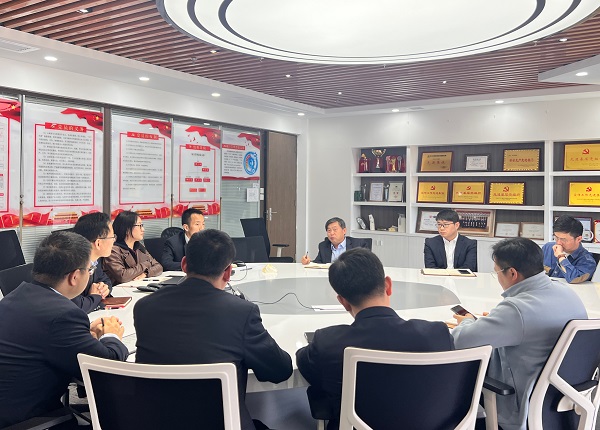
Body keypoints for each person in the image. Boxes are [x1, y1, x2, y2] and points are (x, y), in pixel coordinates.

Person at [134, 229, 292, 430]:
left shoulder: (144, 307)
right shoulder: (241, 312)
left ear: (184, 264)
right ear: (228, 272)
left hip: (155, 422)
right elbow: (280, 370)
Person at [296, 248, 454, 430]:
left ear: (343, 302)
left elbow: (305, 365)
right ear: (388, 285)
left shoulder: (328, 342)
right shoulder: (437, 335)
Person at [452, 237, 587, 430]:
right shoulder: (567, 292)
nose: (497, 278)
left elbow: (461, 341)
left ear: (512, 273)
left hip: (519, 407)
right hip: (564, 402)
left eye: (497, 272)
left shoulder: (516, 309)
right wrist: (497, 321)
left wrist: (467, 321)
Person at [0, 231, 128, 428]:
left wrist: (84, 334)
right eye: (90, 269)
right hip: (27, 420)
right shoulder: (63, 315)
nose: (90, 274)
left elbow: (44, 337)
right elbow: (109, 367)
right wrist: (111, 334)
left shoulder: (17, 295)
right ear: (74, 277)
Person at [71, 212, 116, 313]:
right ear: (98, 243)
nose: (114, 241)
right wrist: (95, 297)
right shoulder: (72, 265)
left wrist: (104, 288)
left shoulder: (95, 260)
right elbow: (78, 305)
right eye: (112, 237)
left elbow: (105, 279)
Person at [103, 210, 162, 284]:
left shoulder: (139, 246)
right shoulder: (113, 250)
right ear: (127, 229)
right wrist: (146, 264)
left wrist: (146, 274)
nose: (143, 229)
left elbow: (158, 266)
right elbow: (123, 276)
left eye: (142, 225)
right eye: (139, 226)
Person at [542, 215, 597, 283]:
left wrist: (561, 257)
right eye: (556, 237)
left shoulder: (588, 261)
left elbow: (573, 279)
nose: (558, 243)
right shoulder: (547, 248)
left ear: (578, 239)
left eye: (563, 239)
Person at [301, 217, 370, 264]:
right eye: (329, 230)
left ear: (344, 231)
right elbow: (318, 264)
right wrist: (308, 262)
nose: (332, 233)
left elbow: (365, 265)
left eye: (335, 230)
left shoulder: (358, 245)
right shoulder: (323, 246)